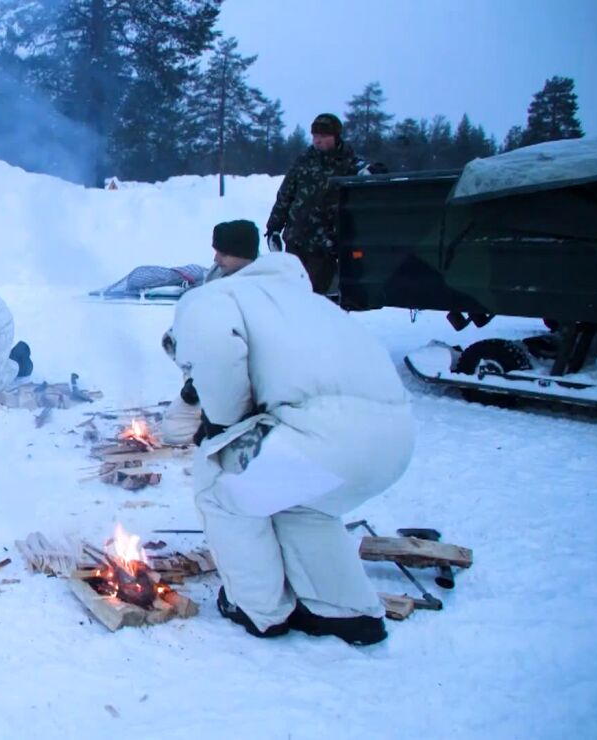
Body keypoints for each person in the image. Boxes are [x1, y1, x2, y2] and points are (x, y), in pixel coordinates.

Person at [170, 251, 414, 646]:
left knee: (221, 487)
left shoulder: (211, 298)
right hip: (394, 442)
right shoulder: (309, 303)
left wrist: (223, 422)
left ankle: (258, 608)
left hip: (323, 437)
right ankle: (347, 613)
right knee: (303, 506)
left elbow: (215, 346)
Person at [159, 220, 259, 445]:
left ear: (243, 254)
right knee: (173, 429)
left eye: (223, 253)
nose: (216, 259)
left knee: (182, 430)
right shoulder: (217, 276)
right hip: (211, 377)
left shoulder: (259, 291)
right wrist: (195, 380)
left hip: (247, 385)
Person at [264, 113, 369, 294]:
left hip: (324, 246)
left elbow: (368, 186)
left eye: (323, 136)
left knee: (315, 295)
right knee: (289, 292)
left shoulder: (350, 163)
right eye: (315, 136)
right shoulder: (304, 161)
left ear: (335, 137)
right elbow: (285, 196)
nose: (317, 141)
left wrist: (372, 172)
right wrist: (273, 228)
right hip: (295, 240)